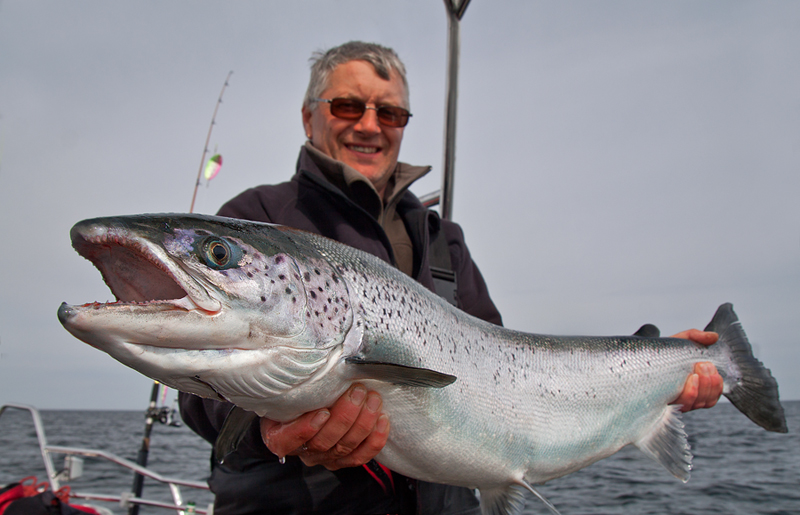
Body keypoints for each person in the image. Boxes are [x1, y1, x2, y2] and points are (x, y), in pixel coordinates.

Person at [179, 41, 724, 515]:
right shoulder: (255, 221)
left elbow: (503, 371)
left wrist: (657, 368)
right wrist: (266, 428)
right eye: (348, 106)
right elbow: (194, 386)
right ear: (308, 118)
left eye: (391, 113)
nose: (369, 125)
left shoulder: (443, 238)